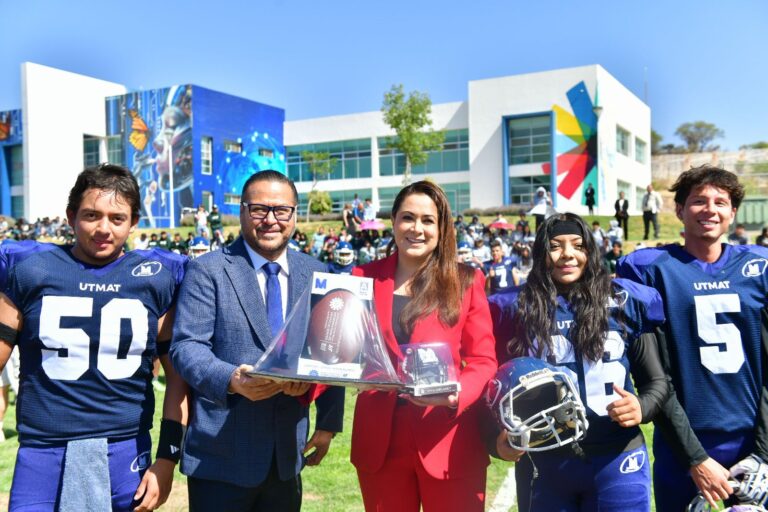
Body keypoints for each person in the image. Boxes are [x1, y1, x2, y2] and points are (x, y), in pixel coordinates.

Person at [0, 163, 189, 511]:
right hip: (43, 449)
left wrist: (167, 459)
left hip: (125, 448)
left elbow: (177, 380)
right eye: (91, 215)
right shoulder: (29, 269)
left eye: (117, 218)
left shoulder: (157, 276)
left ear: (134, 222)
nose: (104, 228)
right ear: (71, 216)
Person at [170, 170, 344, 512]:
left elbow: (331, 350)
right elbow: (186, 346)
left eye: (281, 210)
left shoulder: (315, 271)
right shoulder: (208, 269)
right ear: (242, 211)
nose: (271, 220)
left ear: (294, 214)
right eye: (259, 209)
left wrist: (327, 423)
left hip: (285, 454)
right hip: (221, 456)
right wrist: (231, 380)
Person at [489, 212, 668, 512]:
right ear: (540, 252)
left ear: (590, 250)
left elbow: (658, 382)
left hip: (617, 456)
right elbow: (490, 382)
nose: (567, 254)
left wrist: (642, 406)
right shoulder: (515, 307)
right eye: (556, 245)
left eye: (577, 244)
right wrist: (495, 438)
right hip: (544, 461)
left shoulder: (623, 301)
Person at [616, 165, 768, 511]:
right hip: (682, 440)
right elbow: (653, 374)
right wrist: (695, 458)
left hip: (752, 439)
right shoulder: (649, 268)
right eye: (699, 201)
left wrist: (764, 453)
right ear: (680, 210)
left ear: (732, 212)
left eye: (720, 201)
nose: (710, 209)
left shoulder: (759, 268)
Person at [351, 180, 497, 512]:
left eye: (428, 220)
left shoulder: (467, 281)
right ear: (394, 221)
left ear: (442, 227)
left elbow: (483, 359)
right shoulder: (362, 276)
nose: (417, 228)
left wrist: (457, 394)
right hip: (380, 442)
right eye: (408, 217)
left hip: (448, 436)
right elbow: (339, 349)